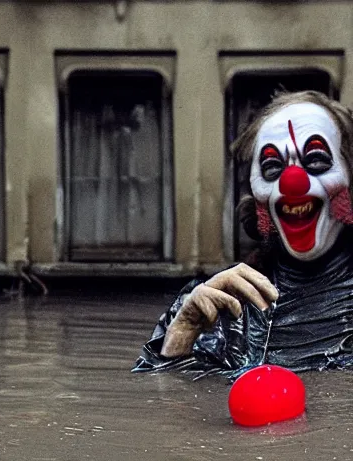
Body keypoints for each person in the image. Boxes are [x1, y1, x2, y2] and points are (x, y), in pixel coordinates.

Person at [133, 90, 353, 379]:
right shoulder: (214, 304)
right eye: (272, 167)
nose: (293, 182)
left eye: (316, 161)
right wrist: (182, 332)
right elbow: (157, 404)